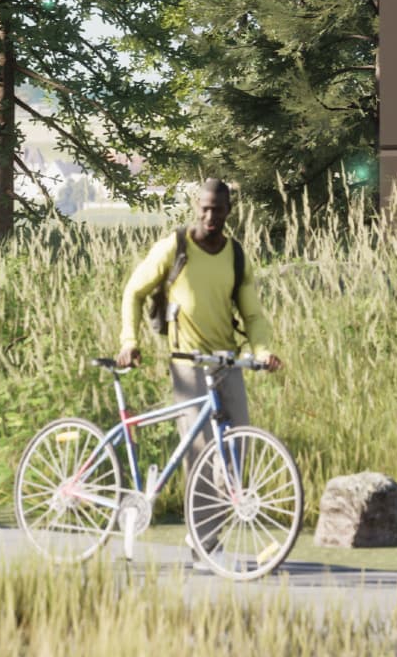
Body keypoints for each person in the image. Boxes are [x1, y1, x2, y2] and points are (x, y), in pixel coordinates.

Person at [116, 179, 282, 559]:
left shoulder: (235, 256)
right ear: (196, 205)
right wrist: (130, 341)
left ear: (229, 210)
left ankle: (205, 536)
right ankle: (203, 543)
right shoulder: (175, 247)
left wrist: (262, 350)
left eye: (218, 209)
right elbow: (134, 291)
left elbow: (253, 313)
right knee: (203, 450)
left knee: (236, 447)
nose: (211, 216)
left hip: (226, 361)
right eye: (205, 208)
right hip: (188, 363)